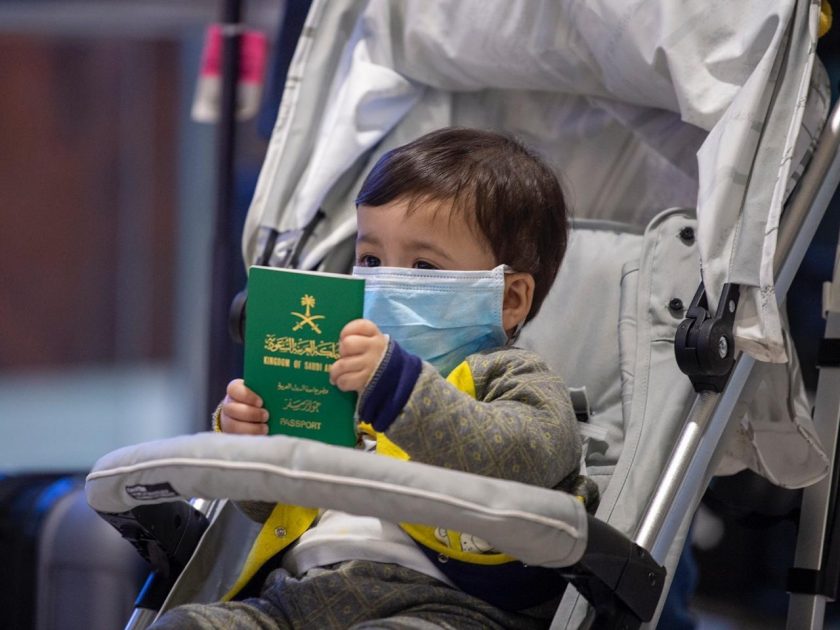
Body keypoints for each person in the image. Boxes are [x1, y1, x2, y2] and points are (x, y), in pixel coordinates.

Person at [152, 127, 597, 629]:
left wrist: (400, 390)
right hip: (294, 599)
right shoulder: (338, 371)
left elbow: (519, 458)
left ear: (510, 299)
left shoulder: (513, 376)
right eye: (370, 260)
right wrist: (250, 438)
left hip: (445, 608)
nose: (383, 282)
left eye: (423, 265)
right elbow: (266, 505)